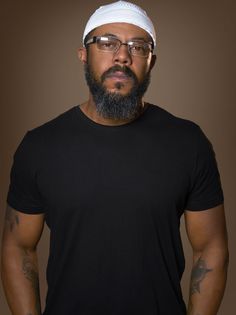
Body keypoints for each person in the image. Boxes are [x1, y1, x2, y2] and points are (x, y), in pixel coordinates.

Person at [1, 1, 229, 315]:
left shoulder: (188, 143)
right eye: (107, 43)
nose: (122, 55)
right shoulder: (40, 146)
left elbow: (210, 249)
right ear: (83, 54)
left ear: (151, 61)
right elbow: (18, 248)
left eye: (138, 46)